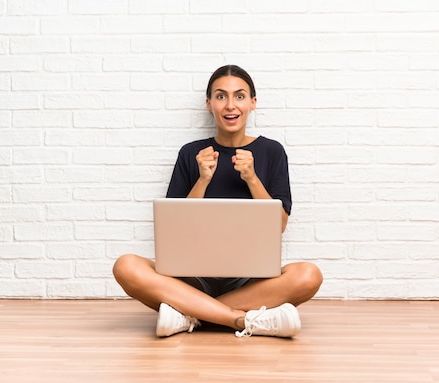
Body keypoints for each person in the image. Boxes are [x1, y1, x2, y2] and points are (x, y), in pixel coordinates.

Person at [112, 65, 323, 338]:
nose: (230, 105)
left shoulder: (272, 151)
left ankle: (189, 315)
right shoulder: (191, 154)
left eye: (239, 96)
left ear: (252, 103)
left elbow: (279, 225)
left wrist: (252, 178)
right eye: (221, 96)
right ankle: (242, 320)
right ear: (209, 103)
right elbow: (176, 231)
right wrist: (202, 180)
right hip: (191, 278)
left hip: (251, 280)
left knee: (309, 275)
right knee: (126, 266)